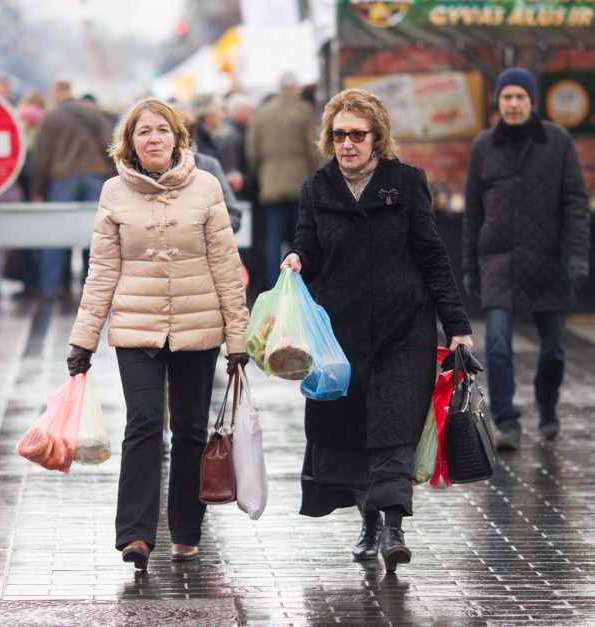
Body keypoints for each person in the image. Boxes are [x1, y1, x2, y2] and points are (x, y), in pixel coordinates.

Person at [281, 88, 473, 574]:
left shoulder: (405, 183)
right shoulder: (317, 188)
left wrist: (458, 326)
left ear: (376, 137)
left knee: (393, 425)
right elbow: (309, 244)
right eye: (339, 134)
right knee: (351, 429)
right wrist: (297, 259)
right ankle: (368, 519)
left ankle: (392, 526)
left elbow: (432, 255)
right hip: (339, 333)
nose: (348, 143)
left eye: (357, 134)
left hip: (402, 327)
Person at [66, 98, 249, 570]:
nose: (153, 138)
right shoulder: (113, 193)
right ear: (130, 142)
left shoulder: (206, 187)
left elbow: (226, 268)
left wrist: (238, 340)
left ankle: (187, 529)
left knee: (190, 428)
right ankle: (135, 535)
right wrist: (83, 340)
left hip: (198, 325)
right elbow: (102, 270)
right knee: (145, 422)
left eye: (162, 130)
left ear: (177, 138)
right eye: (143, 131)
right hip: (137, 327)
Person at [463, 67, 590, 450]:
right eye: (507, 97)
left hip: (548, 262)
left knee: (554, 349)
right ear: (498, 103)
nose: (514, 104)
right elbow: (473, 211)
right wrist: (470, 264)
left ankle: (547, 406)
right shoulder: (484, 145)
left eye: (520, 97)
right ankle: (506, 421)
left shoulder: (557, 140)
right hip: (499, 262)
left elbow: (575, 202)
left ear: (532, 102)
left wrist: (576, 254)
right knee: (498, 344)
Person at [27, 78, 114, 299]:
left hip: (62, 180)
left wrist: (38, 188)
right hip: (95, 178)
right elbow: (111, 145)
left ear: (56, 91)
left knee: (55, 234)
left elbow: (41, 155)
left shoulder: (52, 116)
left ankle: (50, 287)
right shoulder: (94, 113)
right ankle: (96, 287)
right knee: (97, 235)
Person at [247, 72, 317, 290]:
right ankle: (300, 286)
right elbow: (314, 148)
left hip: (271, 183)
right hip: (300, 182)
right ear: (295, 87)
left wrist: (263, 173)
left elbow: (252, 151)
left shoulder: (262, 113)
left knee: (272, 239)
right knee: (301, 239)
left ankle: (272, 286)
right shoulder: (305, 111)